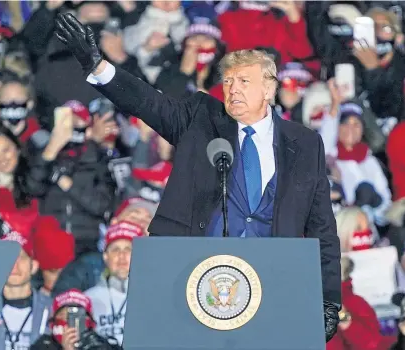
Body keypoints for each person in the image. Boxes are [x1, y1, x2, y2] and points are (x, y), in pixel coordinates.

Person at [55, 12, 342, 340]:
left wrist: (329, 300)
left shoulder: (304, 144)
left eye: (243, 81)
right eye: (228, 81)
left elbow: (322, 227)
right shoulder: (200, 119)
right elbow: (147, 102)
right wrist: (98, 66)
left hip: (271, 282)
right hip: (194, 278)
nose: (232, 89)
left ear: (269, 88)